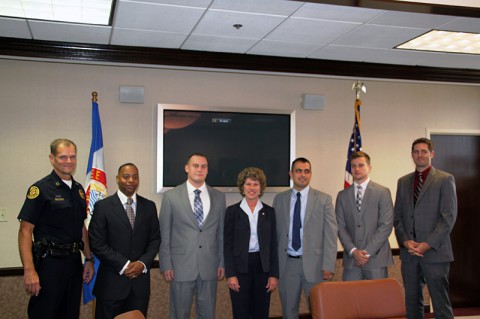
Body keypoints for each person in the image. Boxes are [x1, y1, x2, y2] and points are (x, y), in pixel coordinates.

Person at [17, 138, 95, 319]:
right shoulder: (40, 189)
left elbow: (81, 228)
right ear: (52, 159)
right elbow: (25, 231)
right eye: (63, 157)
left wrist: (89, 258)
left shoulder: (79, 190)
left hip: (74, 264)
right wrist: (29, 270)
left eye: (72, 157)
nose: (69, 161)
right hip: (49, 265)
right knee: (44, 314)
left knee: (69, 314)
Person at [394, 138, 457, 319]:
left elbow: (448, 218)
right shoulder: (403, 182)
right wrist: (405, 242)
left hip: (435, 253)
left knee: (440, 303)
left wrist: (427, 244)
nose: (419, 155)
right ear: (412, 155)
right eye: (416, 151)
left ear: (432, 154)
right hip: (410, 254)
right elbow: (397, 217)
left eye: (423, 151)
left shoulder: (445, 179)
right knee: (412, 304)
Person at [88, 163, 161, 319]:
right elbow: (97, 243)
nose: (131, 181)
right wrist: (125, 265)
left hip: (139, 286)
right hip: (111, 285)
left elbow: (155, 240)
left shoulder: (149, 206)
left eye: (135, 176)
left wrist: (141, 263)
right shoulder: (103, 207)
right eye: (126, 176)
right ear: (117, 179)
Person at [159, 153, 226, 319]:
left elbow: (221, 234)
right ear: (187, 168)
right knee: (180, 313)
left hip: (209, 265)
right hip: (180, 266)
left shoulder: (219, 197)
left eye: (204, 166)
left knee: (208, 313)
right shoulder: (171, 196)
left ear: (207, 170)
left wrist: (221, 262)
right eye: (196, 165)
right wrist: (166, 263)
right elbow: (164, 233)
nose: (200, 169)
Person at [273, 157, 338, 319]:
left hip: (316, 265)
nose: (302, 175)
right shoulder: (280, 199)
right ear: (291, 174)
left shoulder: (324, 199)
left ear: (311, 174)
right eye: (298, 171)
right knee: (289, 312)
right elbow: (275, 234)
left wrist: (328, 264)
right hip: (287, 265)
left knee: (320, 311)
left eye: (306, 171)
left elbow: (331, 234)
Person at [224, 167, 279, 319]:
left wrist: (274, 274)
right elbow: (227, 246)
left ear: (261, 187)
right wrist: (231, 275)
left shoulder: (269, 212)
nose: (252, 188)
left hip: (263, 269)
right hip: (240, 269)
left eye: (255, 184)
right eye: (248, 184)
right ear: (242, 187)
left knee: (261, 313)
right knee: (240, 312)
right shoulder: (232, 212)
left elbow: (274, 245)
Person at [335, 151, 394, 280]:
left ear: (369, 167)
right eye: (353, 165)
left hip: (376, 259)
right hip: (352, 261)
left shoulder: (382, 192)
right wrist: (353, 251)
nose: (357, 169)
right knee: (351, 299)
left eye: (361, 165)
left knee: (377, 300)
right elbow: (340, 226)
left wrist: (366, 253)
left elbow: (386, 225)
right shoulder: (342, 196)